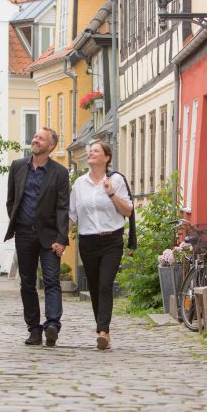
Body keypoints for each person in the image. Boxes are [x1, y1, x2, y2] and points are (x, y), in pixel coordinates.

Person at [5, 127, 70, 346]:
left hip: (49, 236)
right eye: (34, 137)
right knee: (27, 283)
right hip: (24, 234)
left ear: (51, 146)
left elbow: (63, 208)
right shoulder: (17, 167)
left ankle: (52, 325)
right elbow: (11, 200)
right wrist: (17, 223)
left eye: (40, 139)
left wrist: (62, 239)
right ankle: (34, 329)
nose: (35, 140)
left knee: (51, 280)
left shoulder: (60, 173)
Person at [69, 141, 133, 350]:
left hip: (111, 240)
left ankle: (103, 331)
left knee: (105, 284)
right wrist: (58, 238)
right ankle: (102, 329)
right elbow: (72, 215)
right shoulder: (79, 184)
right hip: (88, 242)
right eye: (90, 151)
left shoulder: (116, 180)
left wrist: (111, 193)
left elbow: (128, 211)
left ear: (107, 157)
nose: (91, 153)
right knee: (95, 287)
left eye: (96, 151)